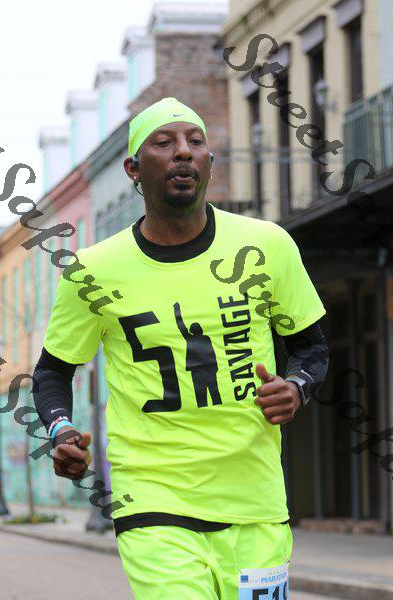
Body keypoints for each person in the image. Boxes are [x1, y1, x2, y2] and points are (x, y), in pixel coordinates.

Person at [33, 97, 329, 600]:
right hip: (152, 499)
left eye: (195, 141)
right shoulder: (92, 271)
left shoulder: (268, 245)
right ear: (133, 169)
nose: (184, 152)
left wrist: (297, 387)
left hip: (254, 500)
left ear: (210, 162)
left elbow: (312, 348)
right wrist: (61, 430)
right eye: (164, 142)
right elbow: (52, 373)